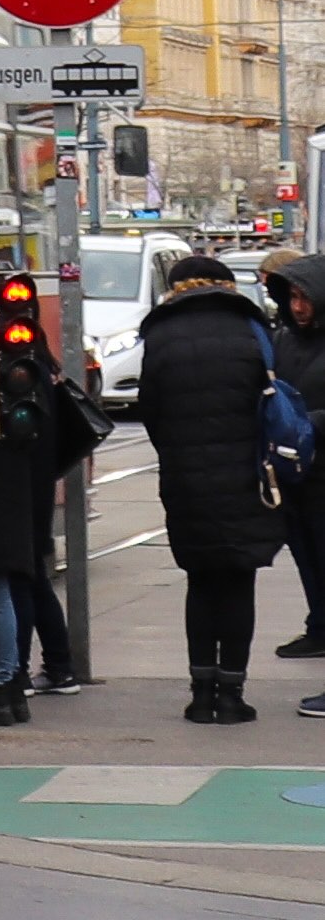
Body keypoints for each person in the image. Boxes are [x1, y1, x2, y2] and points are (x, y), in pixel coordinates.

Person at [127, 250, 285, 722]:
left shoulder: (160, 334)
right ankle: (233, 696)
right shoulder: (252, 330)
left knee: (200, 581)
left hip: (185, 478)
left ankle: (200, 694)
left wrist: (178, 454)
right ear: (226, 285)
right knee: (238, 582)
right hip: (246, 476)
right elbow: (273, 403)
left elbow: (149, 411)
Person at [0, 293, 99, 720]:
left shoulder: (16, 364)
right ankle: (59, 665)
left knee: (19, 579)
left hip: (21, 487)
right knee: (34, 575)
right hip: (35, 485)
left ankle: (18, 672)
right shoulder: (33, 359)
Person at [264, 253, 325, 663]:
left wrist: (314, 423)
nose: (298, 307)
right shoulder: (283, 338)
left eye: (306, 298)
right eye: (292, 298)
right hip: (294, 468)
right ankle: (319, 625)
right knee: (305, 551)